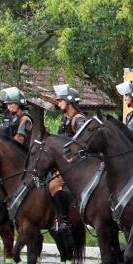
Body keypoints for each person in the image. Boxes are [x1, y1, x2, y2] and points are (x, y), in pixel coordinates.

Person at [50, 84, 86, 233]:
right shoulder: (66, 118)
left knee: (53, 186)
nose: (58, 103)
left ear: (69, 101)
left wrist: (71, 158)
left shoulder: (79, 119)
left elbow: (82, 143)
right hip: (63, 161)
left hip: (76, 163)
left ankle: (64, 219)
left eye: (60, 100)